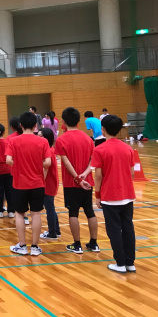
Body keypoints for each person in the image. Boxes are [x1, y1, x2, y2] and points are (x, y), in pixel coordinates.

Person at [81, 115, 136, 273]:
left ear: (103, 130)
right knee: (128, 227)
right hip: (127, 195)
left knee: (114, 230)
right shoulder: (128, 148)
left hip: (110, 196)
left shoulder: (99, 149)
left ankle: (120, 263)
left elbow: (98, 175)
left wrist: (97, 195)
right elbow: (132, 173)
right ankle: (130, 263)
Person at [55, 107, 99, 254]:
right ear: (79, 120)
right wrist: (85, 175)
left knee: (73, 212)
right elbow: (93, 160)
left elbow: (66, 162)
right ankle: (94, 243)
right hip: (87, 181)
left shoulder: (61, 140)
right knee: (90, 211)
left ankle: (77, 244)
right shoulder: (88, 139)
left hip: (72, 182)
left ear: (63, 121)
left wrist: (78, 178)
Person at [6, 112, 51, 256]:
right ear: (35, 125)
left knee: (19, 213)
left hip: (19, 183)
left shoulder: (13, 141)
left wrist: (19, 163)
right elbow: (48, 163)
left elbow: (8, 160)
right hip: (37, 183)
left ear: (20, 125)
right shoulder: (43, 141)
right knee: (36, 213)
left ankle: (22, 246)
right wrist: (36, 163)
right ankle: (35, 247)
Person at [38, 128, 61, 240]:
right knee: (51, 207)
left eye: (40, 136)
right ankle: (56, 230)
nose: (38, 138)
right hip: (51, 182)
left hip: (48, 183)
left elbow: (45, 169)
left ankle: (52, 232)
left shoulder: (48, 151)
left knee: (49, 208)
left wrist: (40, 183)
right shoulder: (50, 149)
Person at [0, 124, 14, 219]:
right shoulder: (7, 142)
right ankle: (11, 211)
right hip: (8, 169)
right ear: (4, 132)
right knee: (9, 191)